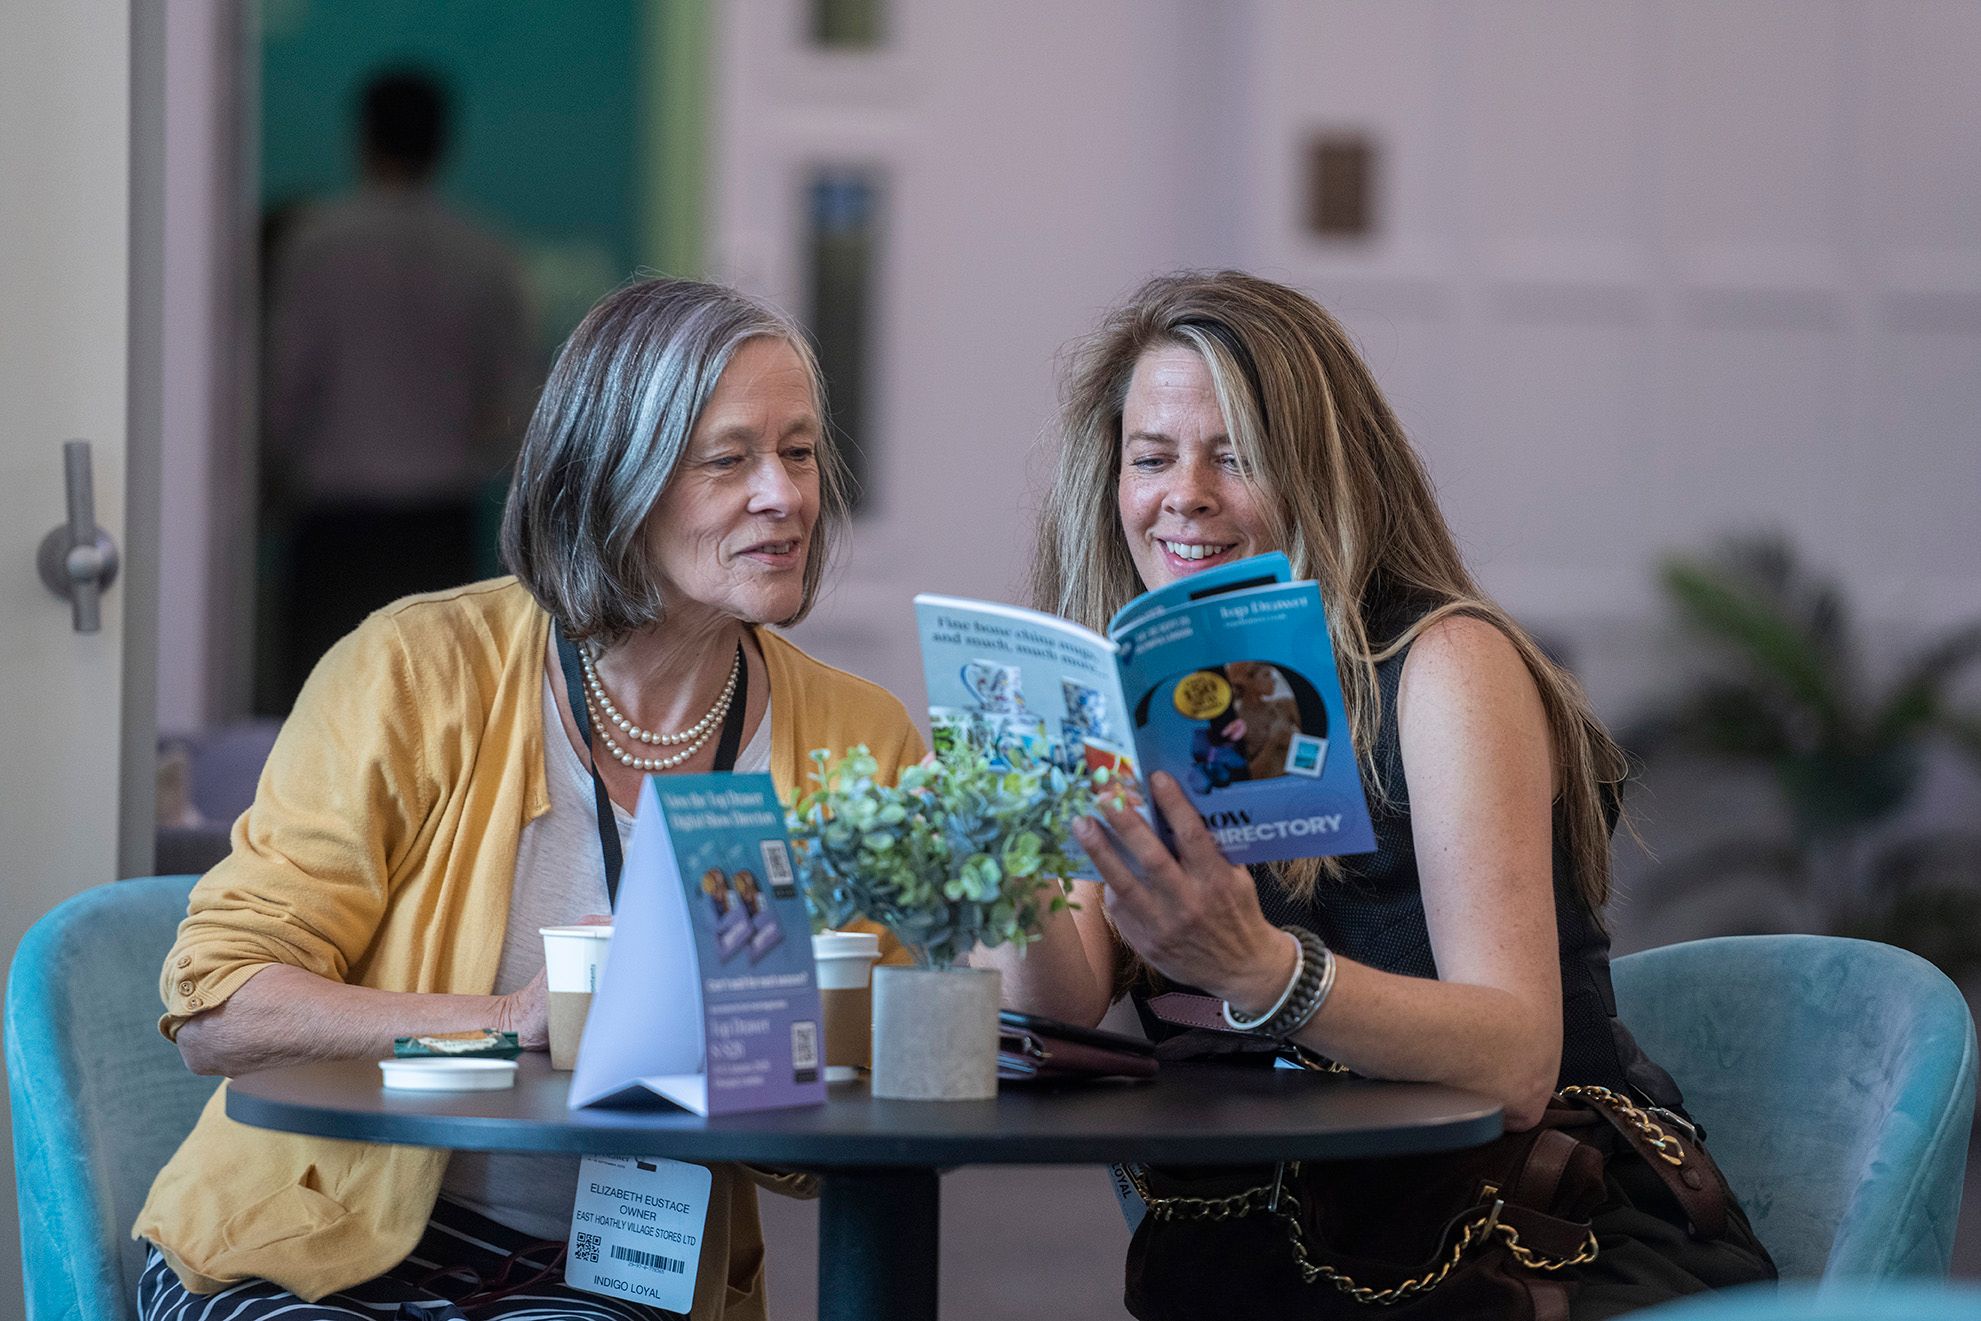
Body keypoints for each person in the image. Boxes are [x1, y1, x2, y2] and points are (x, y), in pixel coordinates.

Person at [135, 278, 923, 1320]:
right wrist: (513, 1020)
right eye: (728, 459)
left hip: (614, 1275)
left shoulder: (858, 741)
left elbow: (872, 1109)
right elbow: (218, 1006)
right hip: (308, 1243)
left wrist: (769, 1044)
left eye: (800, 451)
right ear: (610, 480)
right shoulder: (414, 670)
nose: (782, 495)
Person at [993, 271, 1775, 1318]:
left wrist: (1263, 971)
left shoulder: (1441, 663)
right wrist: (1011, 819)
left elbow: (1516, 1062)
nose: (1184, 493)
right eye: (1151, 457)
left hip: (1525, 1223)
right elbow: (1052, 1001)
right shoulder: (1122, 696)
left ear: (1320, 474)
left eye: (1236, 456)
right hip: (1272, 1238)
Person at [264, 68, 535, 710]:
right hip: (436, 519)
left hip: (334, 521)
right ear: (445, 144)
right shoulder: (484, 252)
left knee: (321, 707)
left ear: (361, 138)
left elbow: (285, 384)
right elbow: (516, 400)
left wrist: (266, 473)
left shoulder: (316, 245)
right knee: (430, 711)